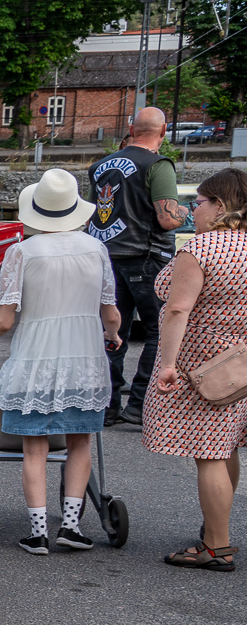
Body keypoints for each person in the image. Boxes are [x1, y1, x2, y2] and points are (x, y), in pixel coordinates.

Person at [0, 169, 121, 555]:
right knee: (80, 443)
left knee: (34, 448)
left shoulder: (21, 253)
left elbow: (5, 320)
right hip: (83, 361)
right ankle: (71, 526)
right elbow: (111, 313)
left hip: (35, 360)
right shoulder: (95, 249)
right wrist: (114, 336)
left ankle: (37, 532)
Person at [146, 167, 247, 570]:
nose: (194, 209)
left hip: (201, 365)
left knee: (208, 453)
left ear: (220, 206)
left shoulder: (201, 249)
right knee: (226, 446)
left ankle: (216, 547)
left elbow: (177, 308)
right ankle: (214, 529)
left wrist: (167, 364)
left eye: (199, 202)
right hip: (239, 363)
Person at [88, 106, 187, 427]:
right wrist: (185, 212)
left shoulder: (100, 166)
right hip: (146, 258)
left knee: (112, 330)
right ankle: (141, 404)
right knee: (160, 331)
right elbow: (167, 219)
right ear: (163, 131)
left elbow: (94, 213)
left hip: (105, 258)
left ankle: (107, 405)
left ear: (131, 129)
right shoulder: (157, 165)